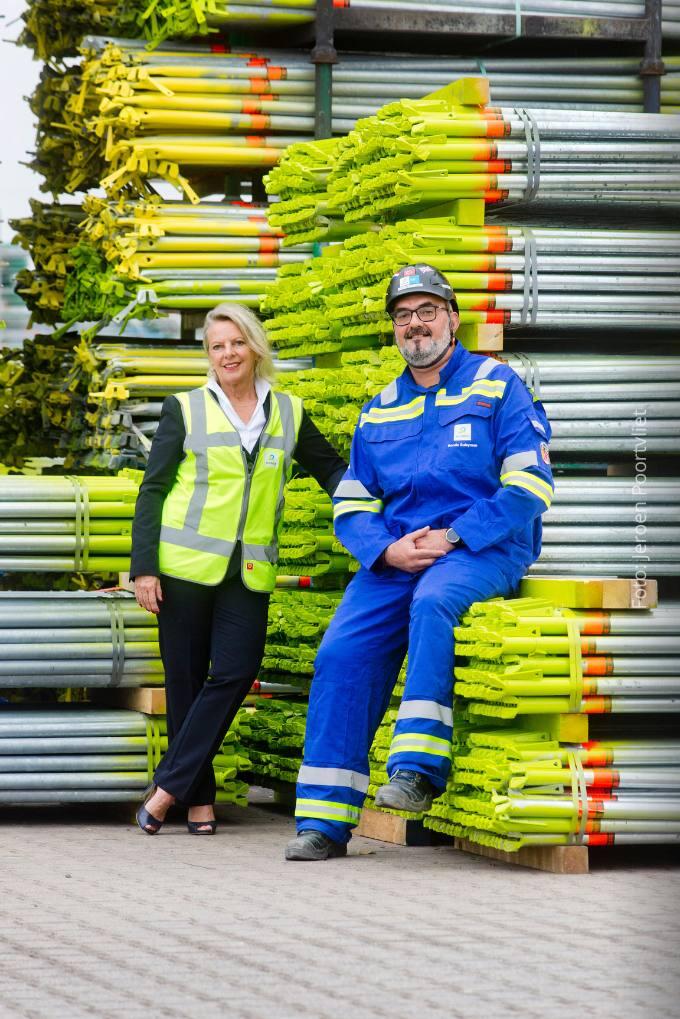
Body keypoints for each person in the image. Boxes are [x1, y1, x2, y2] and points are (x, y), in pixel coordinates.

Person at [286, 264, 554, 861]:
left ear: (453, 318)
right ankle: (324, 822)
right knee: (339, 652)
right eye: (403, 316)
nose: (415, 324)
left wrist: (456, 537)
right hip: (398, 555)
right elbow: (352, 501)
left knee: (436, 602)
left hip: (481, 548)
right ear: (395, 330)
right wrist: (385, 549)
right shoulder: (379, 408)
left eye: (427, 311)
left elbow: (531, 485)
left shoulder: (496, 384)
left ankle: (418, 770)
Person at [131, 302, 346, 835]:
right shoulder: (185, 408)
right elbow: (153, 489)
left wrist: (383, 509)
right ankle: (196, 802)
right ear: (208, 355)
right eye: (216, 346)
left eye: (236, 342)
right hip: (182, 567)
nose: (227, 353)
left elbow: (333, 471)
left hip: (248, 570)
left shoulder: (289, 411)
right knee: (184, 683)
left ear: (255, 347)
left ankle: (166, 788)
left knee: (233, 673)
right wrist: (144, 568)